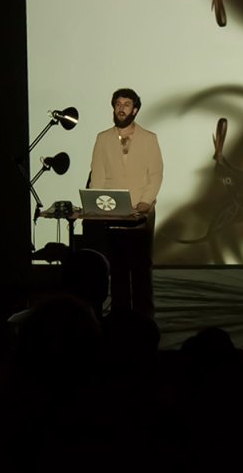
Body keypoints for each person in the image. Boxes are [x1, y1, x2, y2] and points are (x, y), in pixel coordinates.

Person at [85, 88, 163, 320]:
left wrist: (145, 202)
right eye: (118, 104)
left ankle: (143, 317)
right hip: (113, 213)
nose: (121, 108)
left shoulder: (149, 138)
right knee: (117, 268)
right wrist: (95, 205)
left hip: (141, 213)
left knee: (140, 267)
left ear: (135, 109)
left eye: (126, 104)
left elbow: (156, 174)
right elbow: (97, 175)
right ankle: (120, 317)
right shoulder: (103, 138)